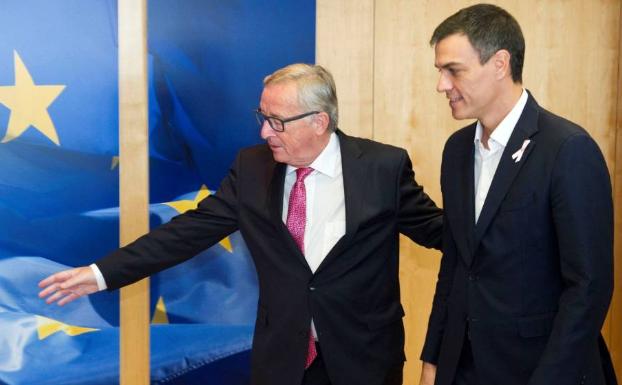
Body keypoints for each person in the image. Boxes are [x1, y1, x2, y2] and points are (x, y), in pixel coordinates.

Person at [39, 63, 443, 385]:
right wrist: (101, 273)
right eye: (262, 117)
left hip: (365, 359)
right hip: (283, 360)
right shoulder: (252, 168)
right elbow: (188, 232)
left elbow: (439, 231)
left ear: (319, 122)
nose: (264, 131)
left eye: (277, 121)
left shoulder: (382, 167)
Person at [419, 4, 616, 385]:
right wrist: (433, 359)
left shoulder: (567, 149)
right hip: (463, 368)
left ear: (499, 63)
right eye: (440, 72)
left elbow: (589, 288)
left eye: (453, 71)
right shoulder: (457, 150)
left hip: (542, 369)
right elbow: (456, 266)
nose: (441, 85)